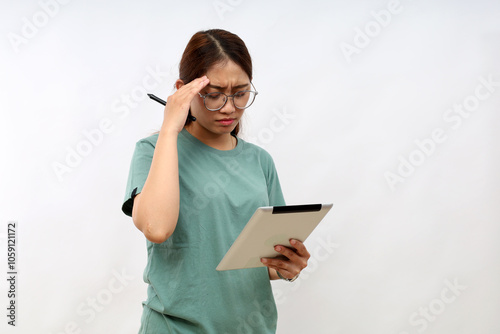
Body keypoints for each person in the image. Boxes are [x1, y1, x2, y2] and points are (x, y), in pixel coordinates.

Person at [121, 29, 311, 333]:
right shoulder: (153, 151)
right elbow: (157, 228)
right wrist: (170, 128)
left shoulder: (260, 161)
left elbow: (261, 260)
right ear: (183, 90)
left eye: (240, 93)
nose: (228, 107)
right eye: (213, 94)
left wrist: (287, 267)